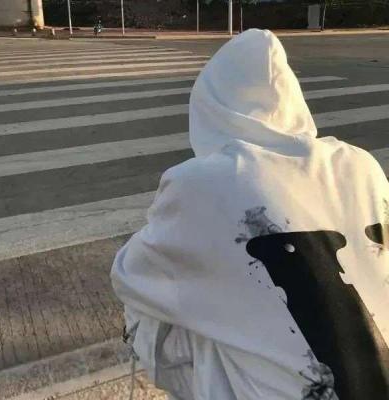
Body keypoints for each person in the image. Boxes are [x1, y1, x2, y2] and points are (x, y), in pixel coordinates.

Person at [111, 29, 389, 399]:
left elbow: (129, 276)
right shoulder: (361, 164)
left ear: (209, 109)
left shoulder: (202, 182)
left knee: (157, 314)